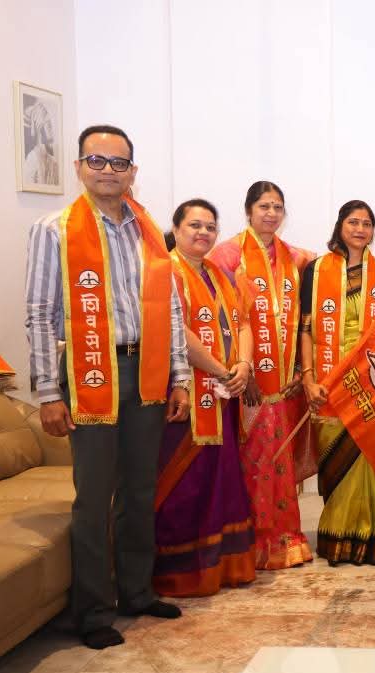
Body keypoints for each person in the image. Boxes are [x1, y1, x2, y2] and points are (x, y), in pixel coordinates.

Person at [25, 124, 189, 649]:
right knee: (94, 497)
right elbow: (39, 314)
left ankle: (136, 592)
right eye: (96, 161)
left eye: (118, 163)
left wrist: (180, 376)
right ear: (78, 167)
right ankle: (94, 611)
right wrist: (48, 392)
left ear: (132, 172)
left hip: (147, 370)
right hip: (90, 370)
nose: (108, 171)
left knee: (140, 490)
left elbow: (171, 308)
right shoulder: (54, 229)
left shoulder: (149, 231)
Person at [208, 181, 315, 569]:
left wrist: (301, 368)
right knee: (251, 464)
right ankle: (251, 543)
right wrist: (244, 369)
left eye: (277, 207)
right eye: (264, 206)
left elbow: (306, 317)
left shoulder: (296, 258)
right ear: (249, 210)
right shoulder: (227, 255)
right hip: (247, 384)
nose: (271, 213)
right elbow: (222, 318)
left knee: (279, 464)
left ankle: (284, 538)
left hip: (286, 385)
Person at [153, 199, 257, 597]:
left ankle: (222, 567)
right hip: (185, 395)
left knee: (221, 480)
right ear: (176, 228)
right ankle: (183, 573)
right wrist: (221, 370)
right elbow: (177, 331)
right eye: (195, 225)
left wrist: (243, 365)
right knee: (186, 485)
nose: (203, 233)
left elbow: (243, 322)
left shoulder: (220, 273)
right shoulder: (166, 271)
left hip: (223, 393)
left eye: (210, 227)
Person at [300, 200, 375, 565]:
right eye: (353, 222)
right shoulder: (316, 270)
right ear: (340, 226)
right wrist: (308, 378)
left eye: (366, 223)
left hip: (369, 381)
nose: (360, 229)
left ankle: (373, 538)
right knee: (337, 463)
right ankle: (338, 539)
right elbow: (305, 329)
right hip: (329, 380)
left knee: (370, 462)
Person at [22, 99, 59, 186]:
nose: (50, 127)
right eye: (47, 124)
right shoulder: (32, 158)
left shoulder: (52, 160)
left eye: (50, 123)